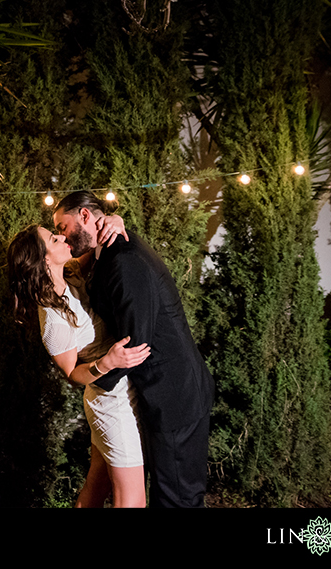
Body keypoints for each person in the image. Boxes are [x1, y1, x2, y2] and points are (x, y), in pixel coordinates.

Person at [53, 191, 215, 508]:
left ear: (85, 216)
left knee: (177, 500)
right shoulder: (111, 249)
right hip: (164, 394)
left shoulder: (124, 261)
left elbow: (134, 346)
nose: (63, 237)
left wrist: (90, 378)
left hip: (174, 398)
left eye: (63, 227)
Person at [8, 219, 151, 508]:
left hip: (124, 387)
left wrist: (114, 221)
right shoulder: (51, 316)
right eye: (53, 240)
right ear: (42, 258)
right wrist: (106, 362)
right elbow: (72, 374)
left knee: (96, 487)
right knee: (132, 499)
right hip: (110, 402)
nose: (62, 238)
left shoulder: (70, 273)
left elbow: (95, 240)